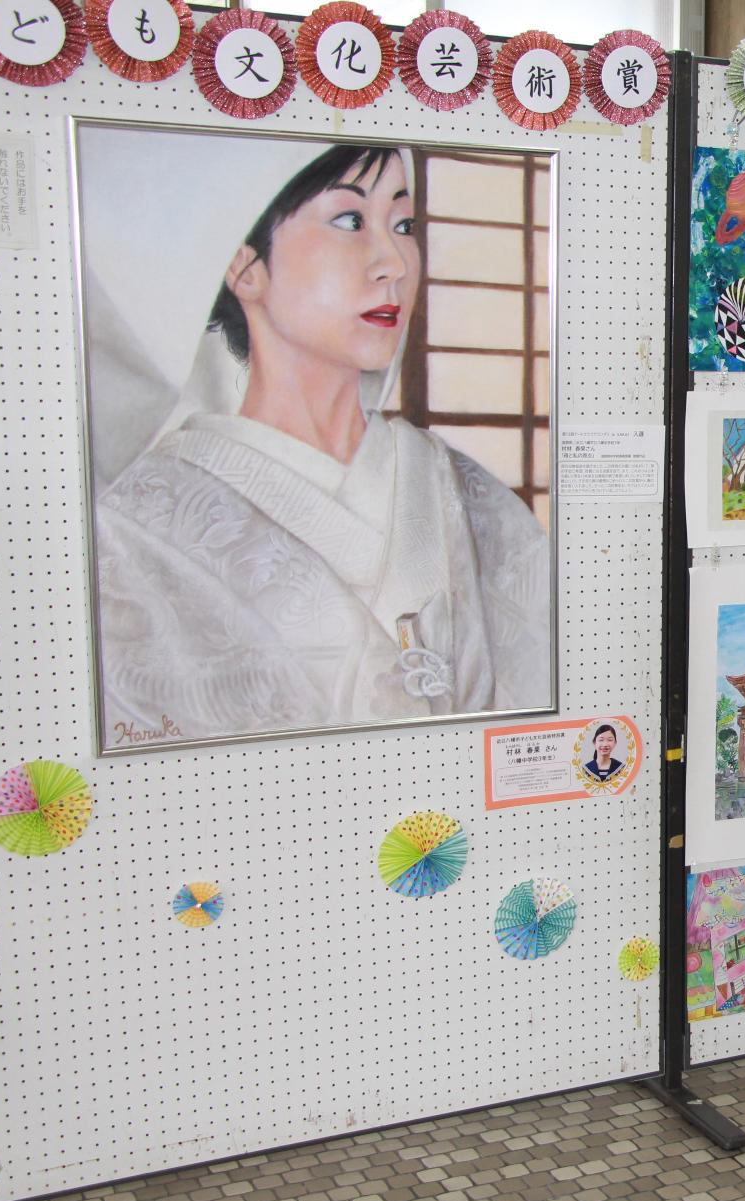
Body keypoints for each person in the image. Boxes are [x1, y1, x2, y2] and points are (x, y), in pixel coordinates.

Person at [89, 139, 551, 748]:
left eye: (403, 224)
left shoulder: (472, 494)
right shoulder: (139, 523)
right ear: (244, 265)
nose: (393, 262)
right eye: (349, 220)